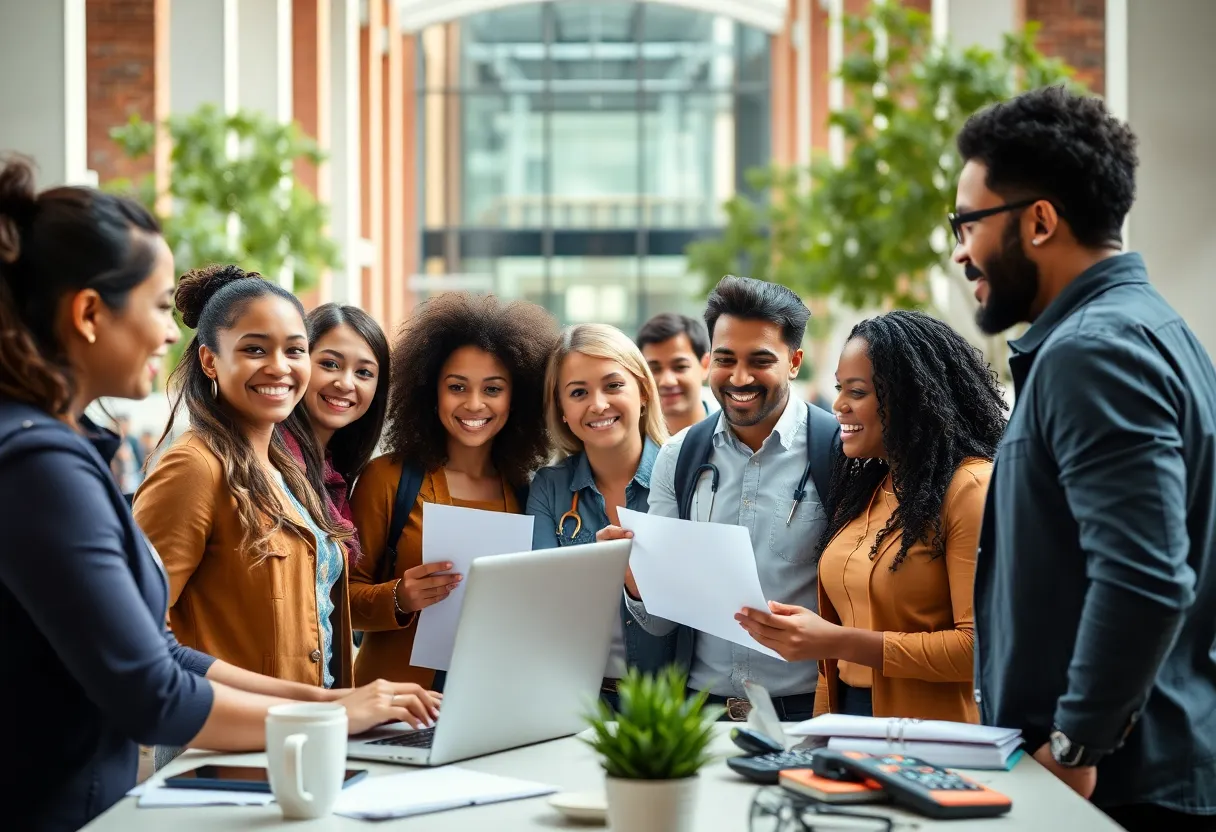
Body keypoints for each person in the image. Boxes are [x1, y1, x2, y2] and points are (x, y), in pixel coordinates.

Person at [0, 158, 434, 831]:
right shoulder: (39, 463)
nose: (171, 330)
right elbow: (148, 689)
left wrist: (333, 704)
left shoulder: (58, 449)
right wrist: (329, 711)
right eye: (153, 304)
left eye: (296, 349)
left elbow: (161, 651)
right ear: (88, 313)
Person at [954, 86, 1216, 829]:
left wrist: (1075, 745)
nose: (959, 248)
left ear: (1039, 221)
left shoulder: (1093, 353)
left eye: (968, 221)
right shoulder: (1154, 330)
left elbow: (1147, 576)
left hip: (1113, 792)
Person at [736, 311, 1005, 722]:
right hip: (849, 725)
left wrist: (838, 642)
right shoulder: (871, 487)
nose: (839, 405)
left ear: (912, 396)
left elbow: (980, 649)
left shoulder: (969, 487)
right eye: (840, 388)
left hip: (933, 738)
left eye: (857, 392)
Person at [601, 276, 840, 722]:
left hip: (808, 713)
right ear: (710, 360)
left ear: (794, 362)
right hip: (701, 716)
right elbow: (660, 620)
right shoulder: (679, 456)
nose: (740, 377)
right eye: (726, 360)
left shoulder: (839, 453)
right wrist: (636, 580)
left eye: (760, 360)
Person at [135, 266, 357, 690]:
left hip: (310, 731)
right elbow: (139, 632)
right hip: (228, 740)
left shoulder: (288, 468)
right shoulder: (192, 468)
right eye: (255, 350)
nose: (279, 367)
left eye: (295, 351)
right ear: (210, 360)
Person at [348, 292, 557, 687]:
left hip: (487, 700)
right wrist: (399, 597)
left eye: (493, 389)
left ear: (517, 398)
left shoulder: (527, 492)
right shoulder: (388, 479)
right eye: (457, 387)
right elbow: (338, 600)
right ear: (431, 392)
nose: (474, 404)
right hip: (395, 706)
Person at [527, 324, 676, 709]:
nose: (597, 404)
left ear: (642, 391)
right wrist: (594, 568)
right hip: (576, 703)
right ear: (561, 409)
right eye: (578, 392)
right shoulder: (549, 487)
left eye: (613, 386)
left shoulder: (684, 475)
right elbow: (542, 608)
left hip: (669, 706)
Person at [280, 302, 391, 565]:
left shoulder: (332, 472)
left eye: (364, 372)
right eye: (330, 364)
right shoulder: (266, 462)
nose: (345, 383)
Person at [636, 312, 714, 435]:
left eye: (680, 367)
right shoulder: (632, 439)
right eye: (654, 369)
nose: (667, 381)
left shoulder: (736, 430)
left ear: (705, 365)